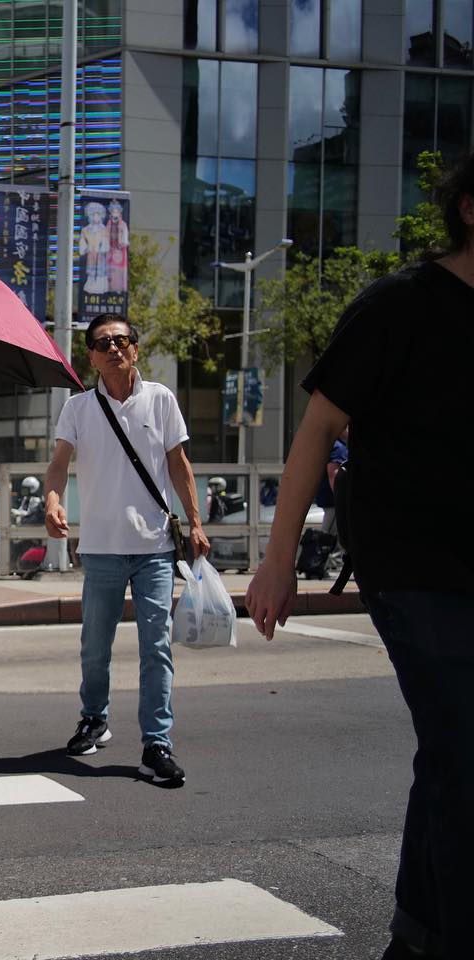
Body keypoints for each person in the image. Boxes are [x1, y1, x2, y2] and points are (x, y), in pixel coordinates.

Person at [245, 153, 474, 960]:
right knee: (465, 751)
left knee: (453, 753)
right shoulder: (400, 304)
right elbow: (317, 427)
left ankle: (416, 932)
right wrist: (278, 562)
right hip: (410, 565)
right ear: (471, 210)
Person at [42, 315, 210, 786]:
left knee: (156, 646)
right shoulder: (77, 408)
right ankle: (94, 717)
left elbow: (180, 466)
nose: (112, 348)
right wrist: (53, 503)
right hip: (100, 549)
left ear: (135, 349)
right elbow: (58, 465)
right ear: (91, 356)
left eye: (120, 340)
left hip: (155, 546)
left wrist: (195, 522)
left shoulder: (160, 400)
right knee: (95, 648)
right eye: (102, 343)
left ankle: (157, 742)